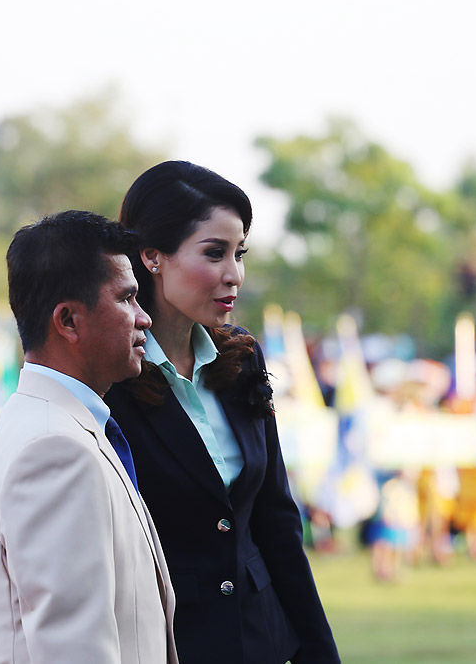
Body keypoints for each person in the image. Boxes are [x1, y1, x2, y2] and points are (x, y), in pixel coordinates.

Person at [105, 161, 340, 663]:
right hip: (166, 643)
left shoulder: (242, 359)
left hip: (261, 640)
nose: (234, 274)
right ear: (152, 256)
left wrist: (320, 652)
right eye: (214, 253)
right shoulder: (111, 379)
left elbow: (276, 519)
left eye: (239, 253)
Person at [0, 211, 178, 664]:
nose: (144, 319)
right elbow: (74, 648)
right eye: (127, 298)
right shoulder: (55, 447)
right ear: (68, 320)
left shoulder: (48, 423)